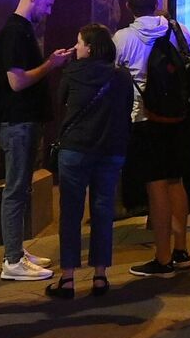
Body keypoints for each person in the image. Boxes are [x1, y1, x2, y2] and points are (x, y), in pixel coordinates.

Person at [114, 0, 190, 278]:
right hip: (179, 120)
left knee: (156, 187)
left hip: (145, 120)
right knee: (176, 181)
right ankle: (181, 249)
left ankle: (162, 257)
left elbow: (113, 75)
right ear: (156, 3)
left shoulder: (124, 38)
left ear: (129, 6)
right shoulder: (178, 30)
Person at [0, 0, 68, 282]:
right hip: (17, 122)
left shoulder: (22, 31)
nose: (48, 12)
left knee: (21, 187)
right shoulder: (14, 32)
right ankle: (12, 259)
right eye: (47, 4)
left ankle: (17, 250)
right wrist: (51, 64)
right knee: (16, 189)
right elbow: (16, 81)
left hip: (24, 122)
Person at [49, 25, 135, 300]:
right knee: (102, 210)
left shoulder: (72, 73)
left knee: (71, 212)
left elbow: (59, 104)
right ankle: (100, 275)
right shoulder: (121, 77)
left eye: (79, 43)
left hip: (75, 149)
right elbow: (126, 109)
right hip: (110, 150)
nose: (76, 47)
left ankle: (68, 278)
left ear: (90, 47)